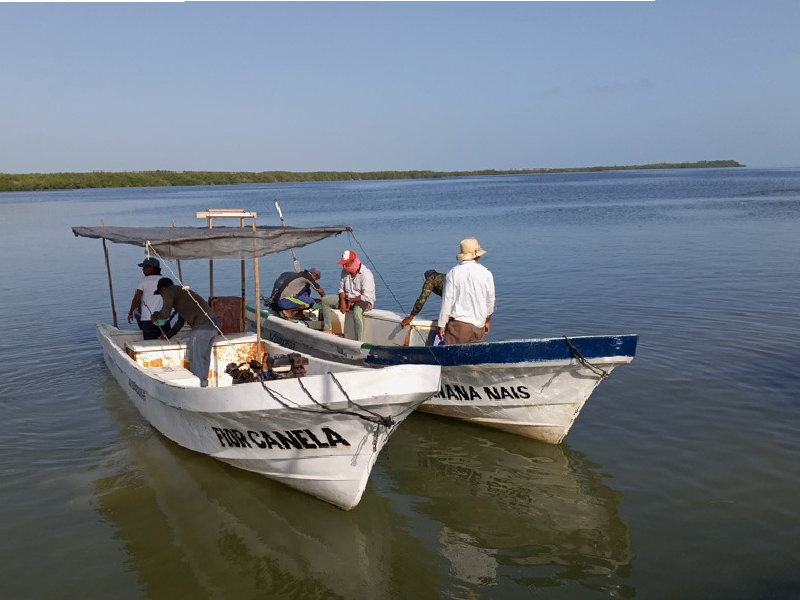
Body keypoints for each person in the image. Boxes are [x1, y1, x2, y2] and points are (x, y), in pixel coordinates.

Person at [151, 278, 220, 388]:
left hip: (201, 326)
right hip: (213, 323)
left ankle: (197, 390)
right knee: (204, 358)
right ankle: (203, 385)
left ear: (163, 289)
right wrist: (168, 335)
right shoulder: (183, 293)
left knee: (196, 359)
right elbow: (180, 321)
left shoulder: (169, 291)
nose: (162, 296)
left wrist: (155, 316)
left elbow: (165, 314)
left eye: (160, 294)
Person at [437, 238, 495, 345]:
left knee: (452, 358)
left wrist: (441, 324)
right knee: (475, 360)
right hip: (479, 326)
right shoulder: (486, 273)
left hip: (459, 327)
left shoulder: (453, 273)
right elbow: (490, 301)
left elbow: (447, 301)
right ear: (477, 255)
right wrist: (488, 321)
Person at [320, 250, 376, 341]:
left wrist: (350, 301)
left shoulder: (366, 274)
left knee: (357, 312)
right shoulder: (344, 271)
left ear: (353, 261)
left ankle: (359, 341)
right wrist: (342, 301)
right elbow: (341, 288)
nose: (344, 266)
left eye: (346, 264)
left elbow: (366, 296)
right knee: (325, 300)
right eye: (343, 264)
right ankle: (328, 329)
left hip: (363, 301)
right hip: (347, 297)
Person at [127, 257, 171, 340]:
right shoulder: (166, 281)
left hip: (148, 319)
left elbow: (137, 298)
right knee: (165, 342)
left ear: (151, 268)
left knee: (150, 343)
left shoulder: (143, 281)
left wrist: (130, 312)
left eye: (144, 267)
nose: (143, 270)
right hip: (164, 319)